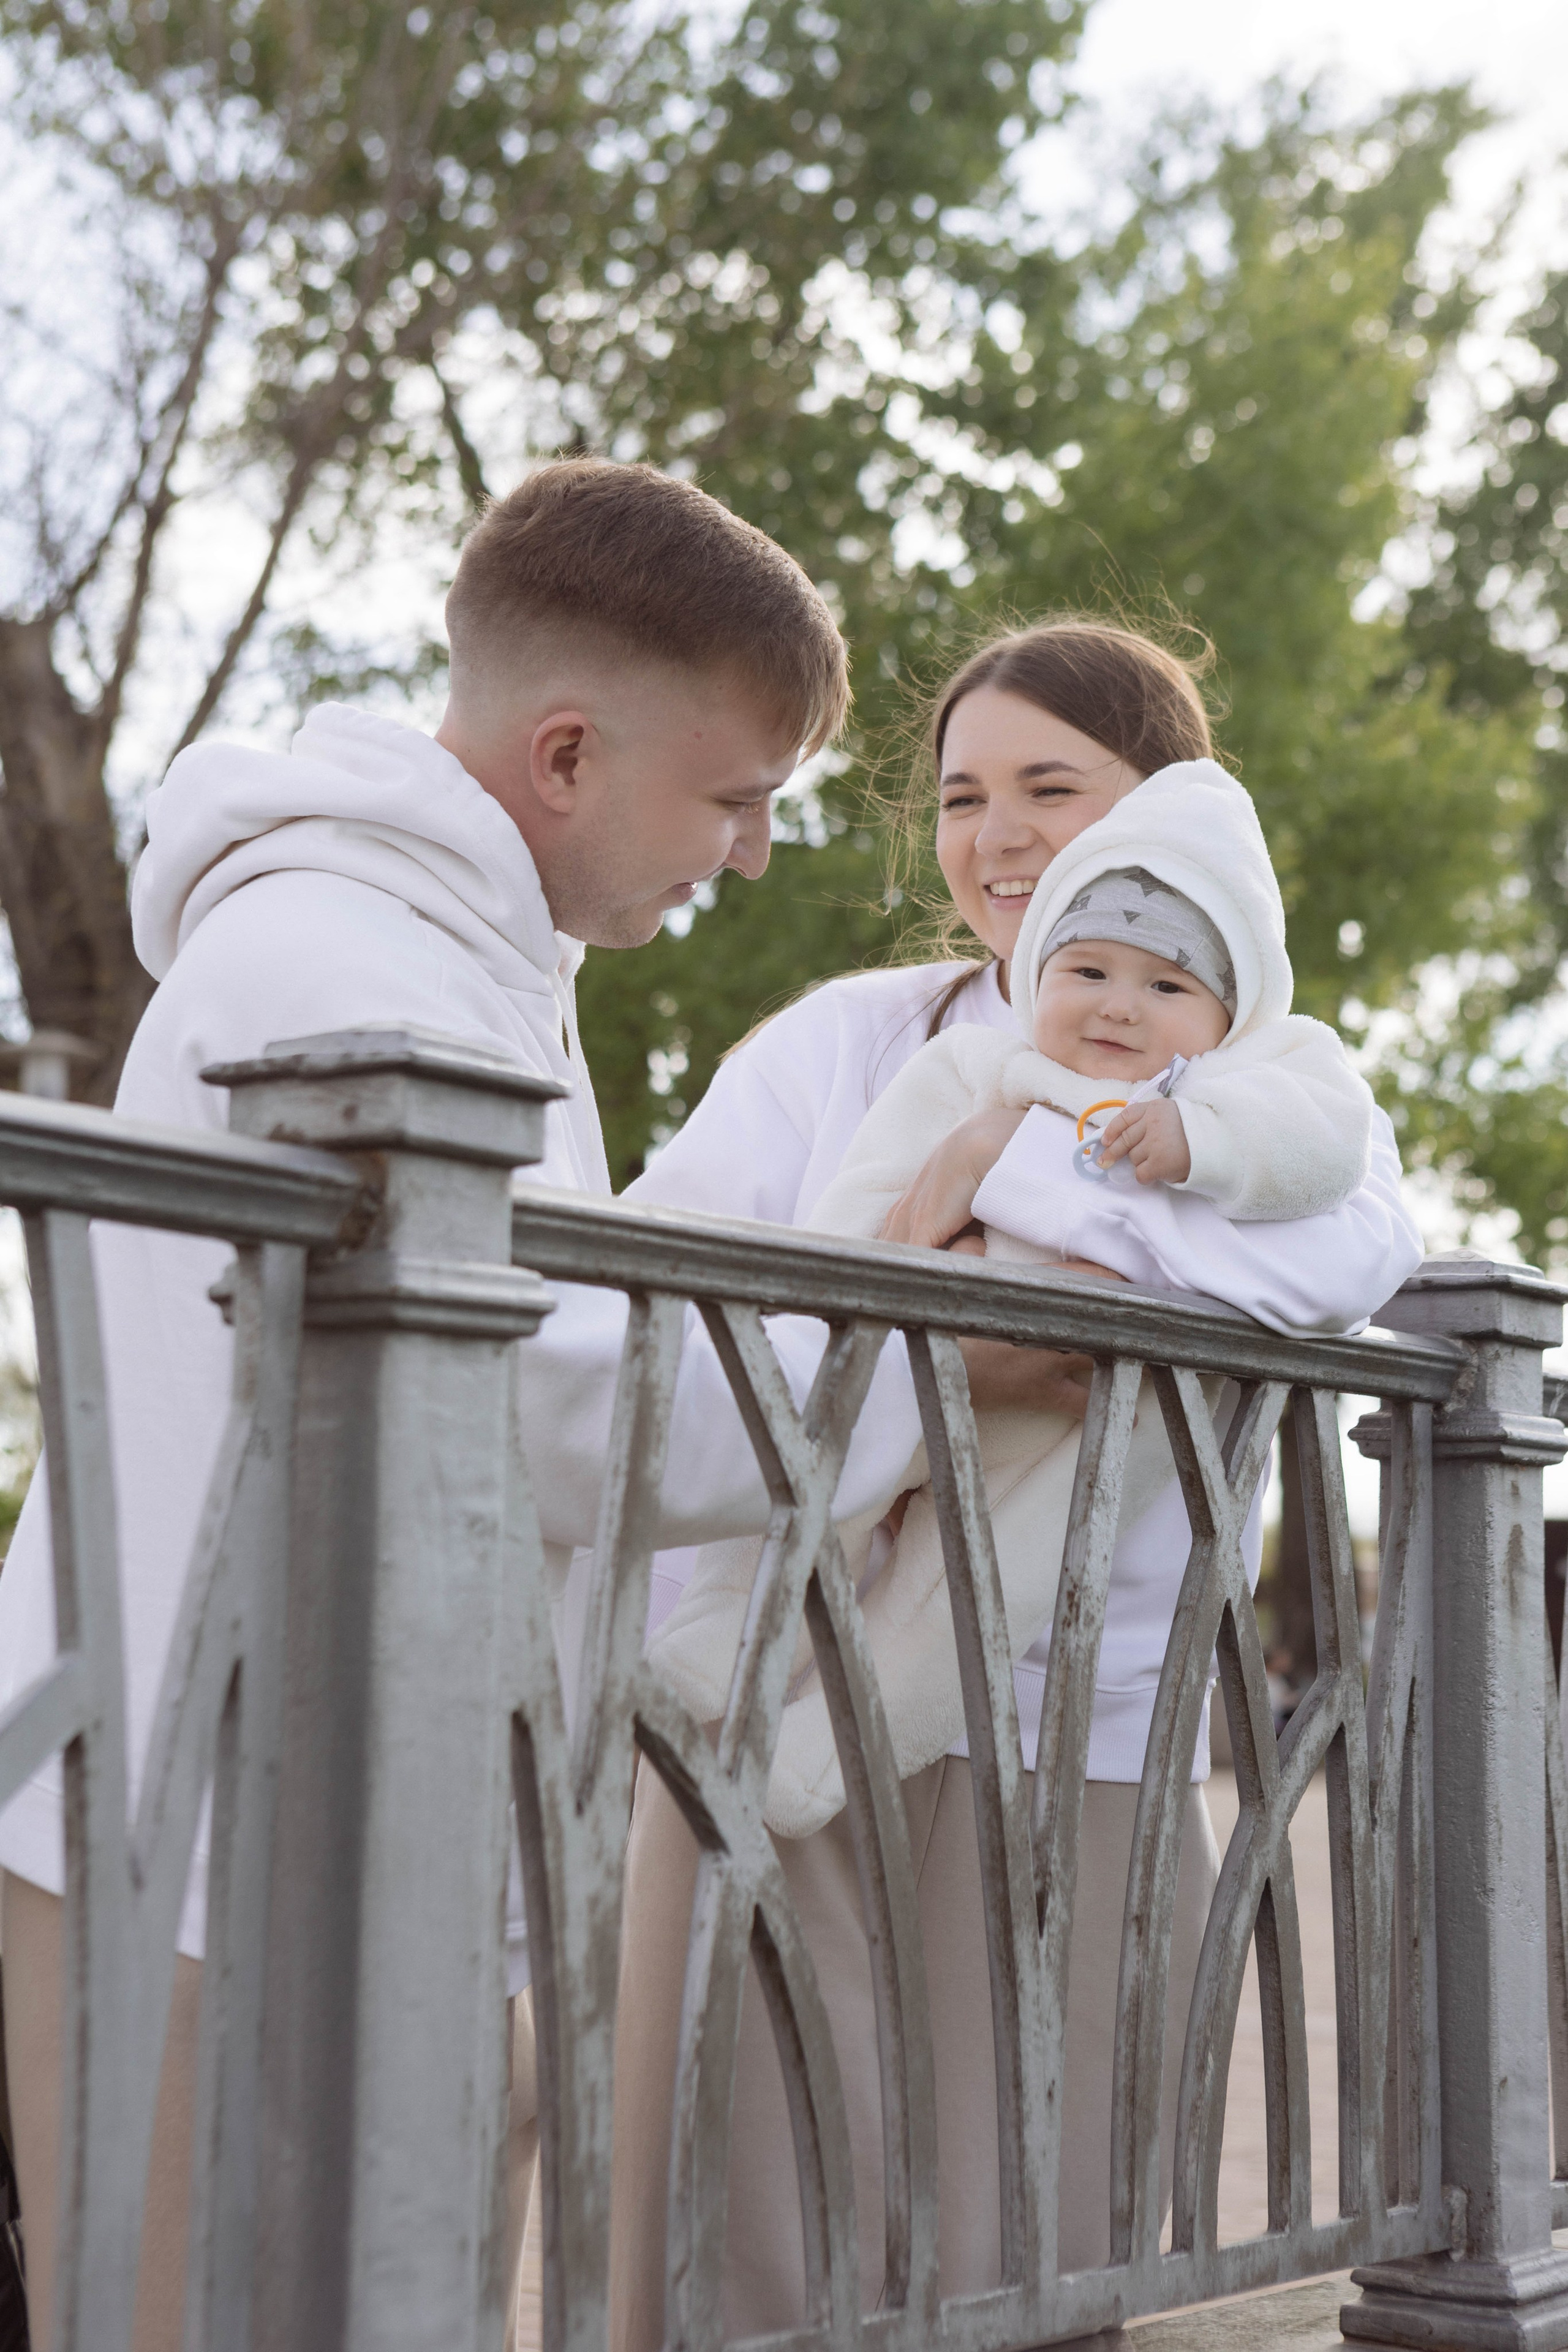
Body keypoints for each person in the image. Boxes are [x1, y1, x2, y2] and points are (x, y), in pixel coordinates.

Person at [0, 462, 1067, 2352]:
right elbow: (559, 1406)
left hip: (355, 1820)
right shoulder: (340, 970)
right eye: (733, 798)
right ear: (566, 753)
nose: (750, 853)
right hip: (197, 1848)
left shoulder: (476, 959)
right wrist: (932, 1354)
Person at [607, 619, 1423, 2342]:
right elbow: (652, 1304)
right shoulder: (847, 1043)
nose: (996, 839)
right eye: (964, 796)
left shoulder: (1269, 1080)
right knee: (747, 2246)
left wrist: (1038, 1214)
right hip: (789, 1691)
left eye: (1053, 787)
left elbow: (1341, 1265)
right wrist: (943, 1309)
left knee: (1038, 2252)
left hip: (1084, 1736)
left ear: (1179, 817)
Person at [651, 753, 1382, 1838]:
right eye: (1086, 973)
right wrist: (853, 1317)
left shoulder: (1252, 1083)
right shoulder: (970, 1067)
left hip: (1080, 1437)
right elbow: (864, 1199)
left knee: (971, 1599)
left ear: (1230, 1011)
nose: (1121, 1010)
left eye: (1168, 986)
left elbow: (1326, 1156)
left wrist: (1196, 1142)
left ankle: (832, 1753)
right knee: (817, 1493)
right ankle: (721, 1642)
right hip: (915, 1361)